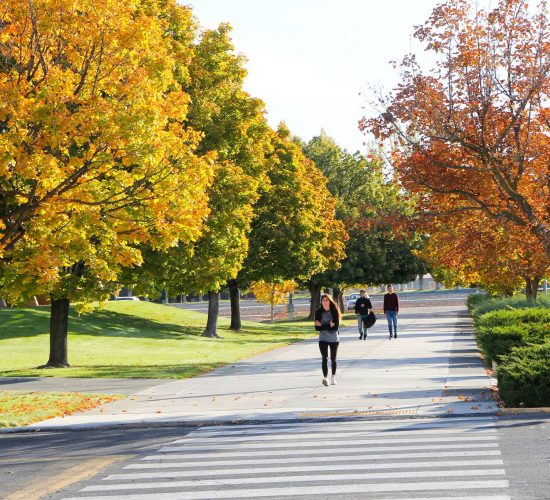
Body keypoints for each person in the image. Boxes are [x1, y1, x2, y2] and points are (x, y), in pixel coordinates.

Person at [314, 294, 341, 386]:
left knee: (333, 359)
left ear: (330, 301)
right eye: (323, 300)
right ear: (321, 302)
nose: (325, 302)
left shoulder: (334, 311)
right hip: (323, 339)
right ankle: (325, 378)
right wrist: (329, 325)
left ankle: (333, 377)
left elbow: (335, 328)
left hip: (334, 339)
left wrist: (322, 326)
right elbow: (316, 328)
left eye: (327, 300)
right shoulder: (318, 312)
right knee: (324, 358)